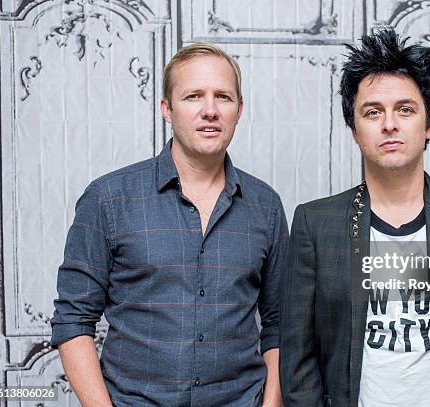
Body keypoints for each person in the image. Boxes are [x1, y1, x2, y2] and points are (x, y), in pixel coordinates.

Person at [280, 29, 430, 407]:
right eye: (372, 112)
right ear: (354, 129)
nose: (389, 124)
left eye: (405, 109)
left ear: (429, 123)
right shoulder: (314, 224)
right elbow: (298, 355)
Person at [51, 42, 287, 407]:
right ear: (167, 109)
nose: (210, 110)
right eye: (194, 96)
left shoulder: (266, 206)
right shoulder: (108, 199)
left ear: (239, 110)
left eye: (223, 97)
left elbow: (279, 324)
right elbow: (73, 321)